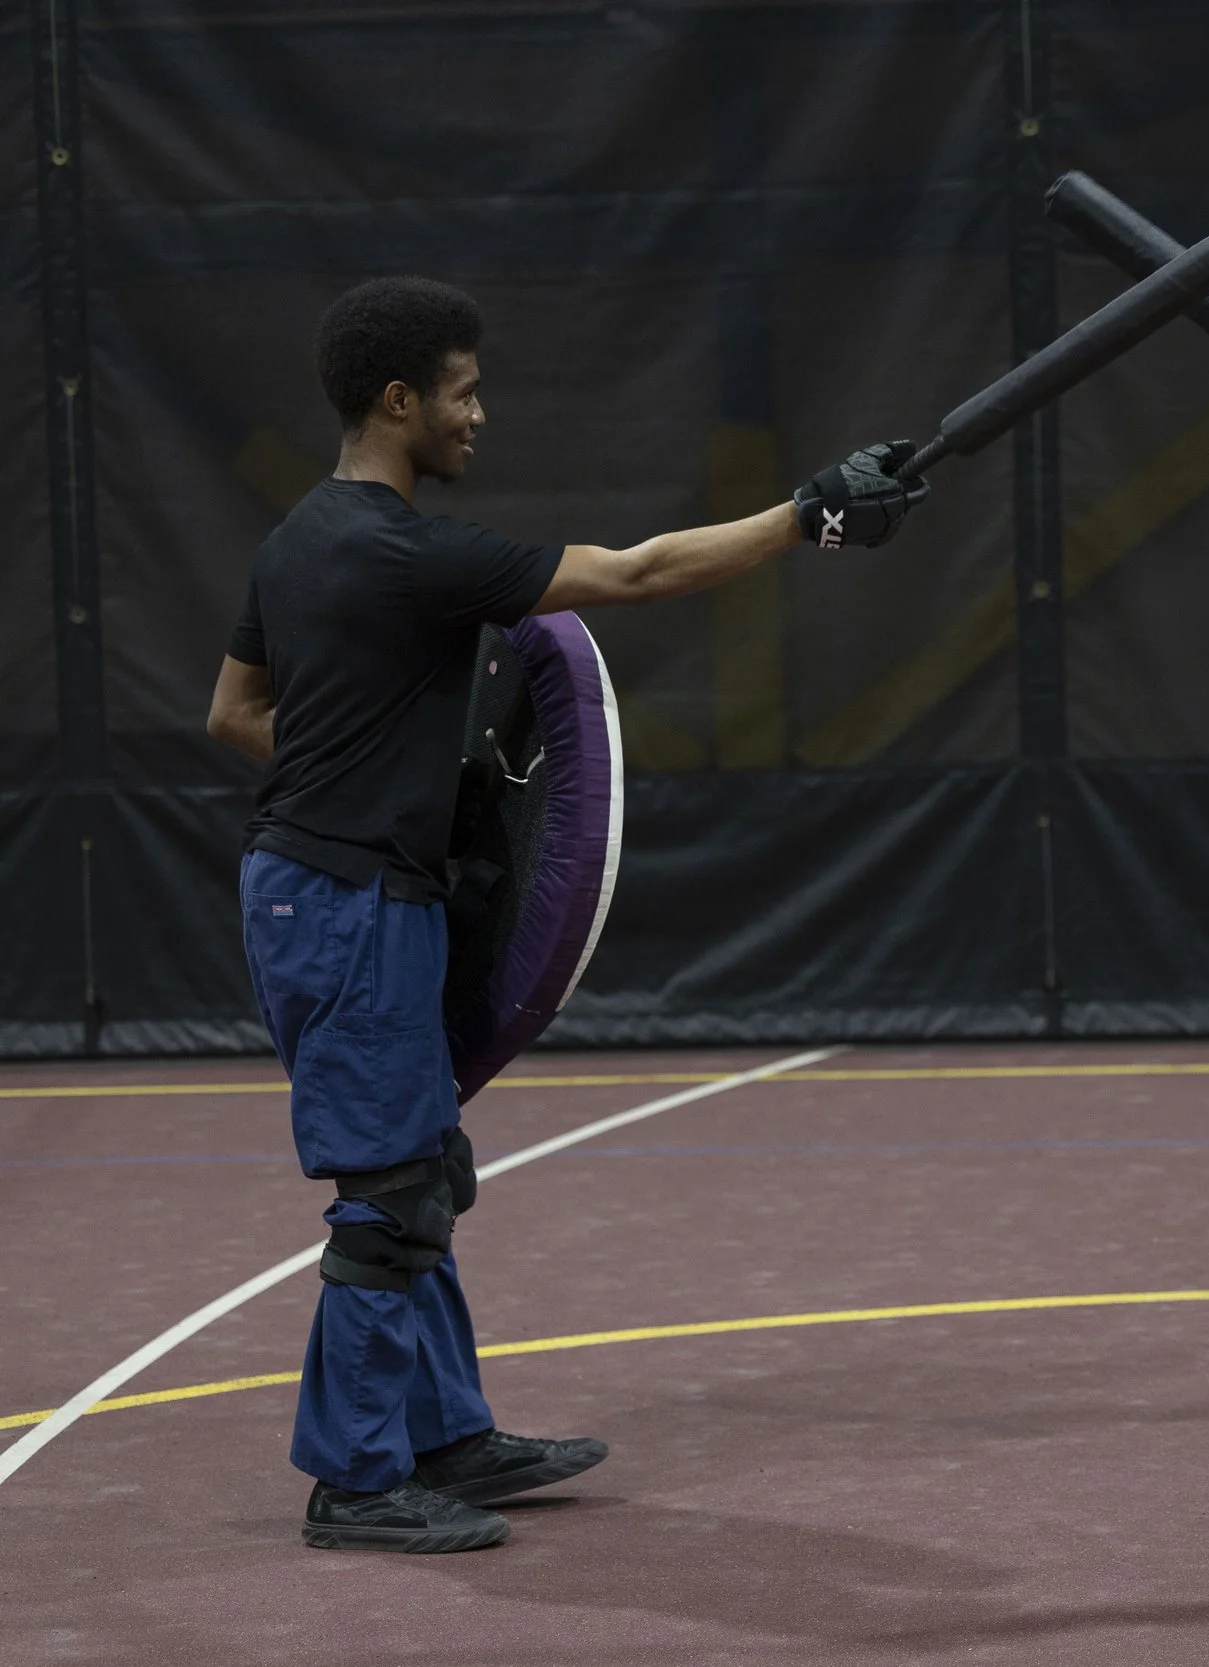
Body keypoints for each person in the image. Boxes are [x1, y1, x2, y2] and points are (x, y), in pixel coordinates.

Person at [204, 275, 924, 1553]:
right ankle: (357, 1480)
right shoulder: (408, 551)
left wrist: (378, 780)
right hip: (347, 901)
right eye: (466, 391)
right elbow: (633, 571)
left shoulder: (299, 540)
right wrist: (810, 515)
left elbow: (235, 714)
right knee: (387, 1193)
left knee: (424, 1168)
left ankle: (445, 1436)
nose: (482, 414)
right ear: (399, 397)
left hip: (340, 885)